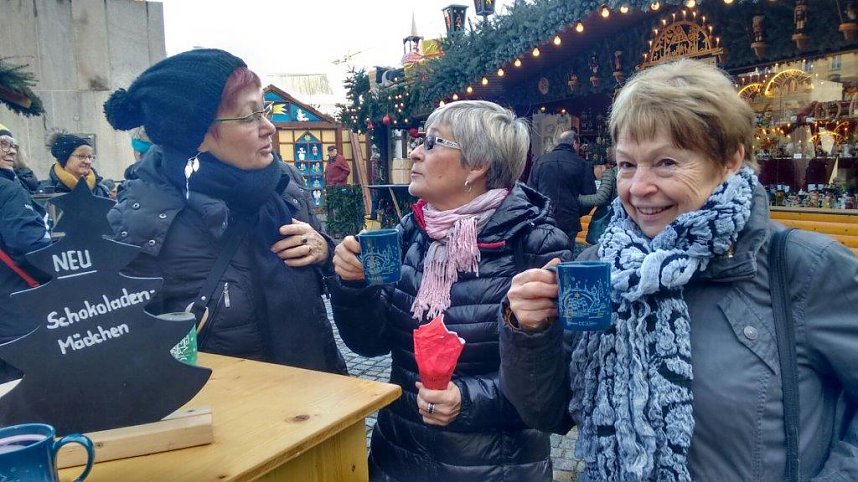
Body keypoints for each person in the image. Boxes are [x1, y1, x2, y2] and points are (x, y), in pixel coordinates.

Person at [500, 59, 858, 481]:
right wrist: (529, 331)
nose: (638, 187)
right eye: (628, 164)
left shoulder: (803, 268)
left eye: (666, 162)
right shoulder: (601, 266)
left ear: (728, 161)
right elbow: (549, 412)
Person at [330, 100, 571, 481]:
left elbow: (554, 389)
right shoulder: (411, 231)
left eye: (432, 142)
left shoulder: (535, 243)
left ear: (477, 166)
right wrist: (352, 285)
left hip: (493, 467)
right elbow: (371, 342)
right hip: (399, 455)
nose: (415, 151)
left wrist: (468, 400)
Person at [103, 48, 346, 374]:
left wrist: (327, 252)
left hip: (319, 399)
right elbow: (130, 356)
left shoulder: (284, 185)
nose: (268, 128)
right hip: (227, 415)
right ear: (196, 135)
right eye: (249, 117)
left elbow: (339, 297)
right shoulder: (146, 221)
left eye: (265, 111)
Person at [0, 129, 51, 383]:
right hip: (16, 309)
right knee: (22, 399)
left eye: (13, 144)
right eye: (2, 144)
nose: (10, 150)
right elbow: (29, 247)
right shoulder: (8, 191)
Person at [527, 129, 596, 247]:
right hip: (569, 220)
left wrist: (540, 212)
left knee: (545, 257)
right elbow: (590, 197)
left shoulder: (540, 161)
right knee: (566, 257)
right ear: (575, 143)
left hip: (544, 218)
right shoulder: (582, 164)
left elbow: (530, 193)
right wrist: (576, 211)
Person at [47, 133, 111, 197]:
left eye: (89, 157)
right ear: (64, 158)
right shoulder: (46, 191)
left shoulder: (101, 191)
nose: (87, 161)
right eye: (81, 156)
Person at [578, 158, 618, 245]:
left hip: (607, 222)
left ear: (600, 167)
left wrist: (576, 198)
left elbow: (600, 198)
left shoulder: (610, 173)